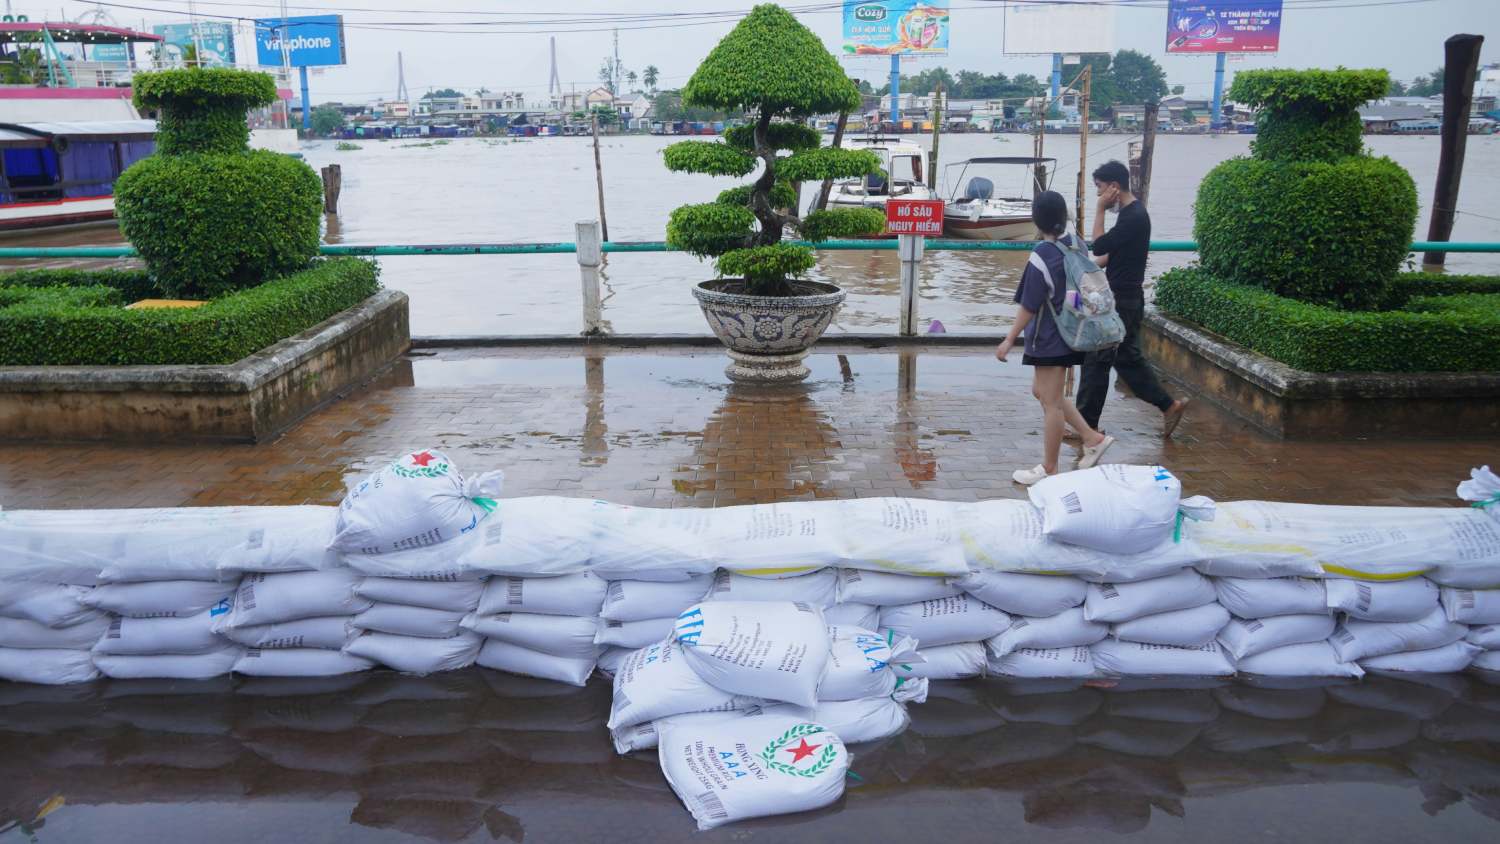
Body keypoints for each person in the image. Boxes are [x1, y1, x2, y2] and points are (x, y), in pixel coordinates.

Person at [996, 191, 1115, 486]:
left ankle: (1049, 469)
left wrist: (1009, 339)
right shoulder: (1076, 246)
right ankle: (1092, 437)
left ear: (1037, 219)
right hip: (1069, 333)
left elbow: (1029, 304)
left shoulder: (1042, 255)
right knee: (1044, 392)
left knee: (1050, 404)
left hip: (1047, 337)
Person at [1075, 160, 1188, 438]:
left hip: (1122, 301)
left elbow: (1099, 244)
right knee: (1126, 360)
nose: (1099, 195)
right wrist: (1083, 271)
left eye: (1099, 189)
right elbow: (1110, 255)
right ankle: (1168, 405)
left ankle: (1087, 426)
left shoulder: (1134, 216)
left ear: (1113, 187)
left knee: (1097, 359)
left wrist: (1099, 209)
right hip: (1124, 298)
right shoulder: (1130, 215)